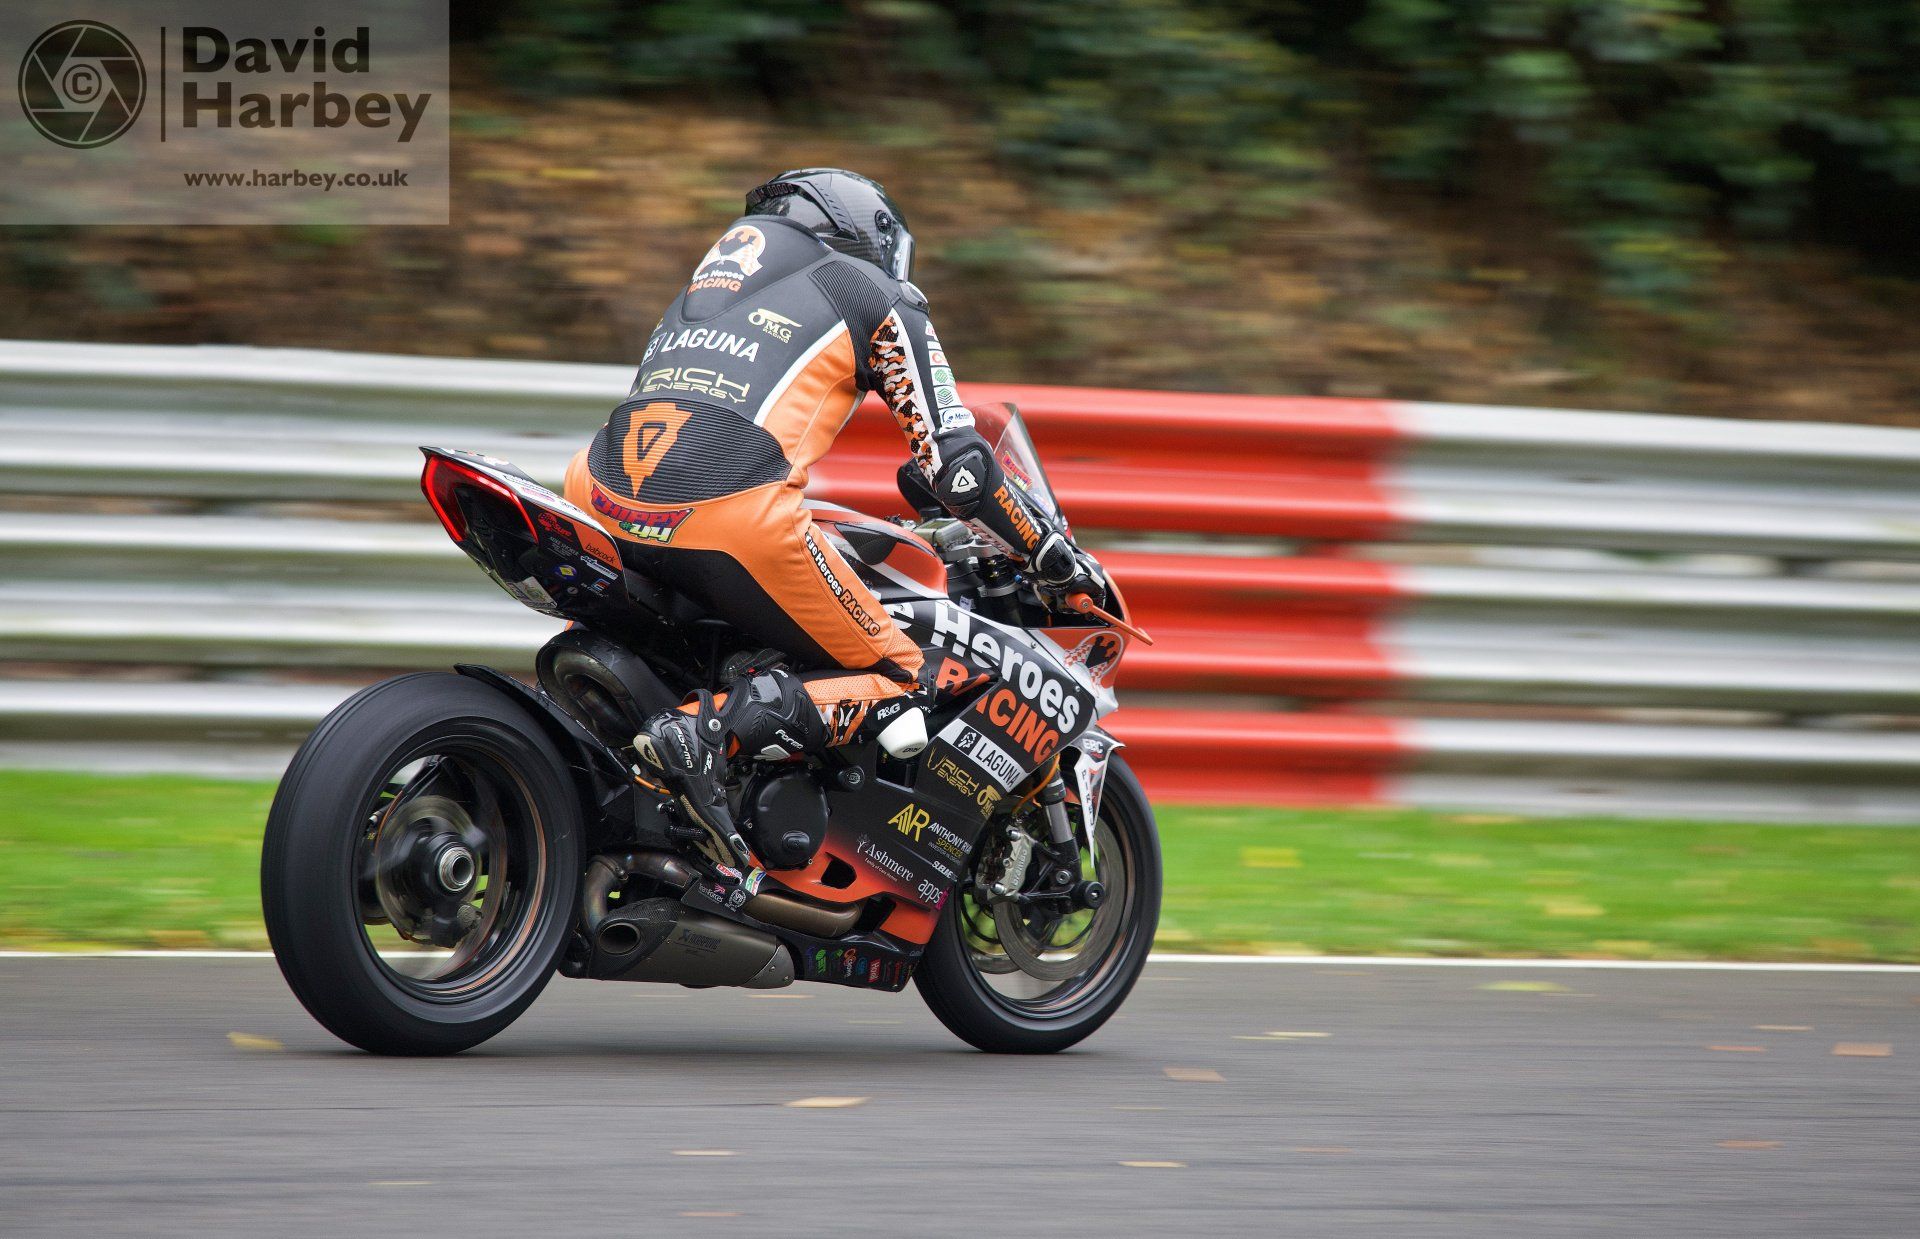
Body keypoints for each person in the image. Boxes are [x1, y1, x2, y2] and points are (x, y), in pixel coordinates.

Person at [564, 168, 1102, 866]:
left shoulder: (703, 296)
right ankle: (705, 732)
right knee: (909, 673)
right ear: (868, 235)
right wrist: (1046, 549)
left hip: (596, 499)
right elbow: (957, 468)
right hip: (730, 515)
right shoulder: (872, 291)